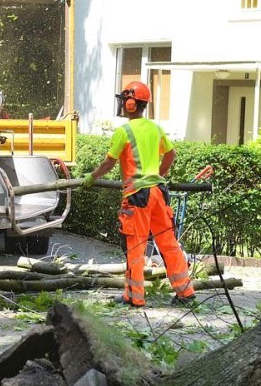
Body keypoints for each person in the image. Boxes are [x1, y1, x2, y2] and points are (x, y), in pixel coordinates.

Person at [83, 81, 195, 308]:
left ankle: (135, 297)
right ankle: (186, 293)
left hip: (137, 196)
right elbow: (171, 154)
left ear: (132, 103)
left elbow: (109, 162)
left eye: (125, 101)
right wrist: (159, 175)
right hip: (158, 193)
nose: (124, 105)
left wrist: (91, 177)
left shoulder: (123, 132)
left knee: (136, 247)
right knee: (168, 244)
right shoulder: (156, 128)